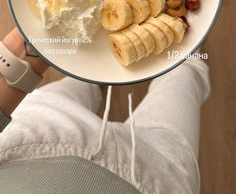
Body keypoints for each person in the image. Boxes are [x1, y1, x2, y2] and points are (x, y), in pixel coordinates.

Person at [0, 27, 210, 194]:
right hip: (155, 176)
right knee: (184, 73)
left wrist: (28, 47)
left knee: (81, 77)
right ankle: (186, 37)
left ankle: (94, 75)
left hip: (36, 134)